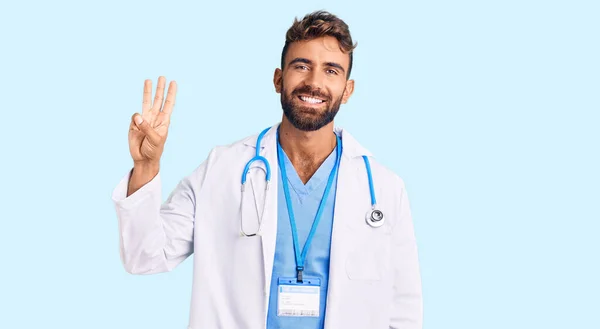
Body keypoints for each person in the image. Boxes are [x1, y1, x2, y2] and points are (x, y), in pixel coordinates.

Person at [112, 10, 422, 329]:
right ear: (278, 79)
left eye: (331, 70)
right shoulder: (222, 170)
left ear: (348, 89)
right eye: (301, 66)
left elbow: (403, 309)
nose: (314, 83)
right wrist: (146, 165)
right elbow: (144, 257)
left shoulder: (383, 188)